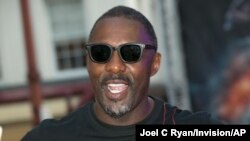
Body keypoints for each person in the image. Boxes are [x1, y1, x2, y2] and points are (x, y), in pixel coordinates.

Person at [21, 5, 222, 141]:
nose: (115, 66)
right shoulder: (48, 137)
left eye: (131, 52)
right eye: (101, 53)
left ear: (154, 63)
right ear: (88, 61)